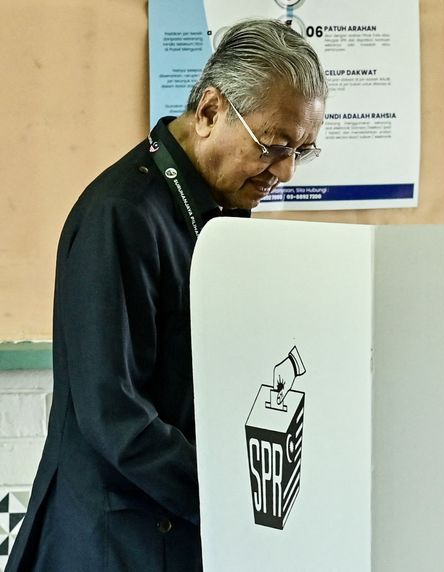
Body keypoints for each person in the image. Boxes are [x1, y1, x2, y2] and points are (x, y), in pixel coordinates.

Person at [6, 18, 327, 571]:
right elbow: (116, 415)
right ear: (208, 112)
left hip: (178, 526)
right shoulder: (122, 214)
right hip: (111, 539)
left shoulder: (218, 207)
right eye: (272, 147)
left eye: (303, 150)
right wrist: (236, 498)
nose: (286, 171)